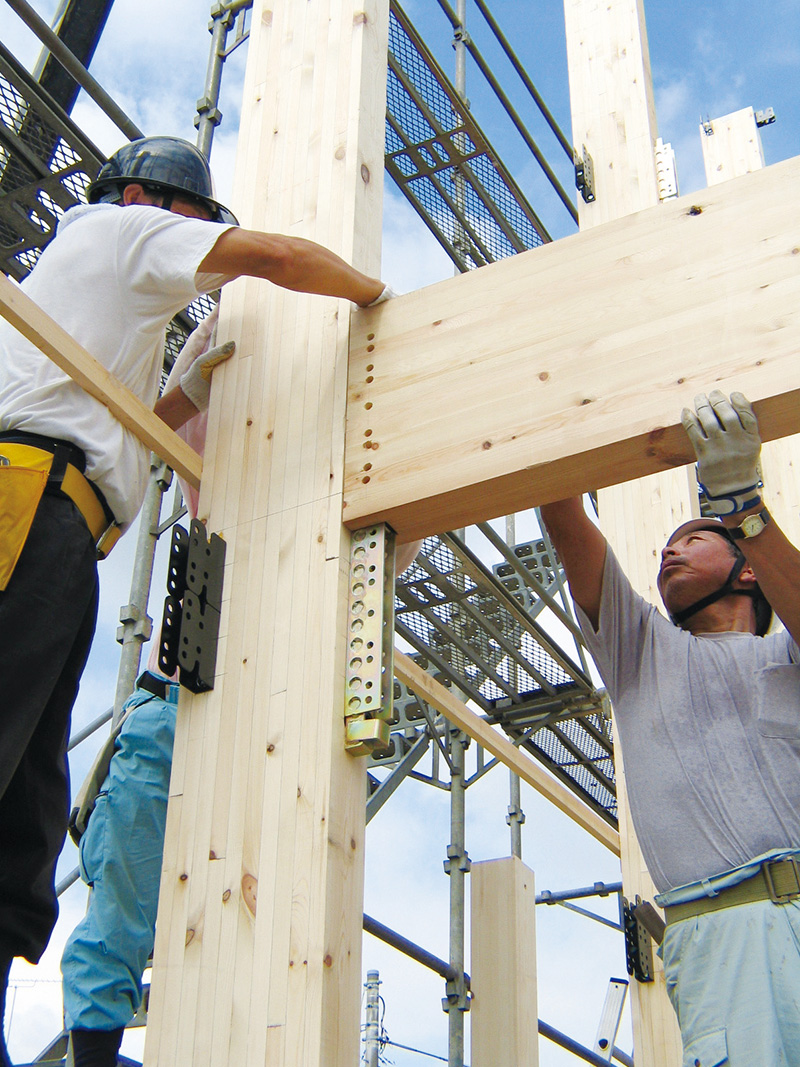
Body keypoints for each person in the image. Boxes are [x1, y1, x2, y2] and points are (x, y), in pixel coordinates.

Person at [0, 135, 389, 1067]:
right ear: (142, 196)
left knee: (23, 801)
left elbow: (129, 432)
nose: (200, 245)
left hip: (61, 516)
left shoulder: (97, 312)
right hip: (29, 501)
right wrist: (379, 304)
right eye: (197, 220)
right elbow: (278, 257)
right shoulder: (119, 229)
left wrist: (182, 393)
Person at [539, 390, 800, 1066]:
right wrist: (560, 412)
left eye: (692, 539)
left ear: (746, 565)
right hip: (725, 935)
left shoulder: (786, 652)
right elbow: (564, 515)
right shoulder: (640, 653)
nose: (668, 551)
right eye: (665, 545)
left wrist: (743, 505)